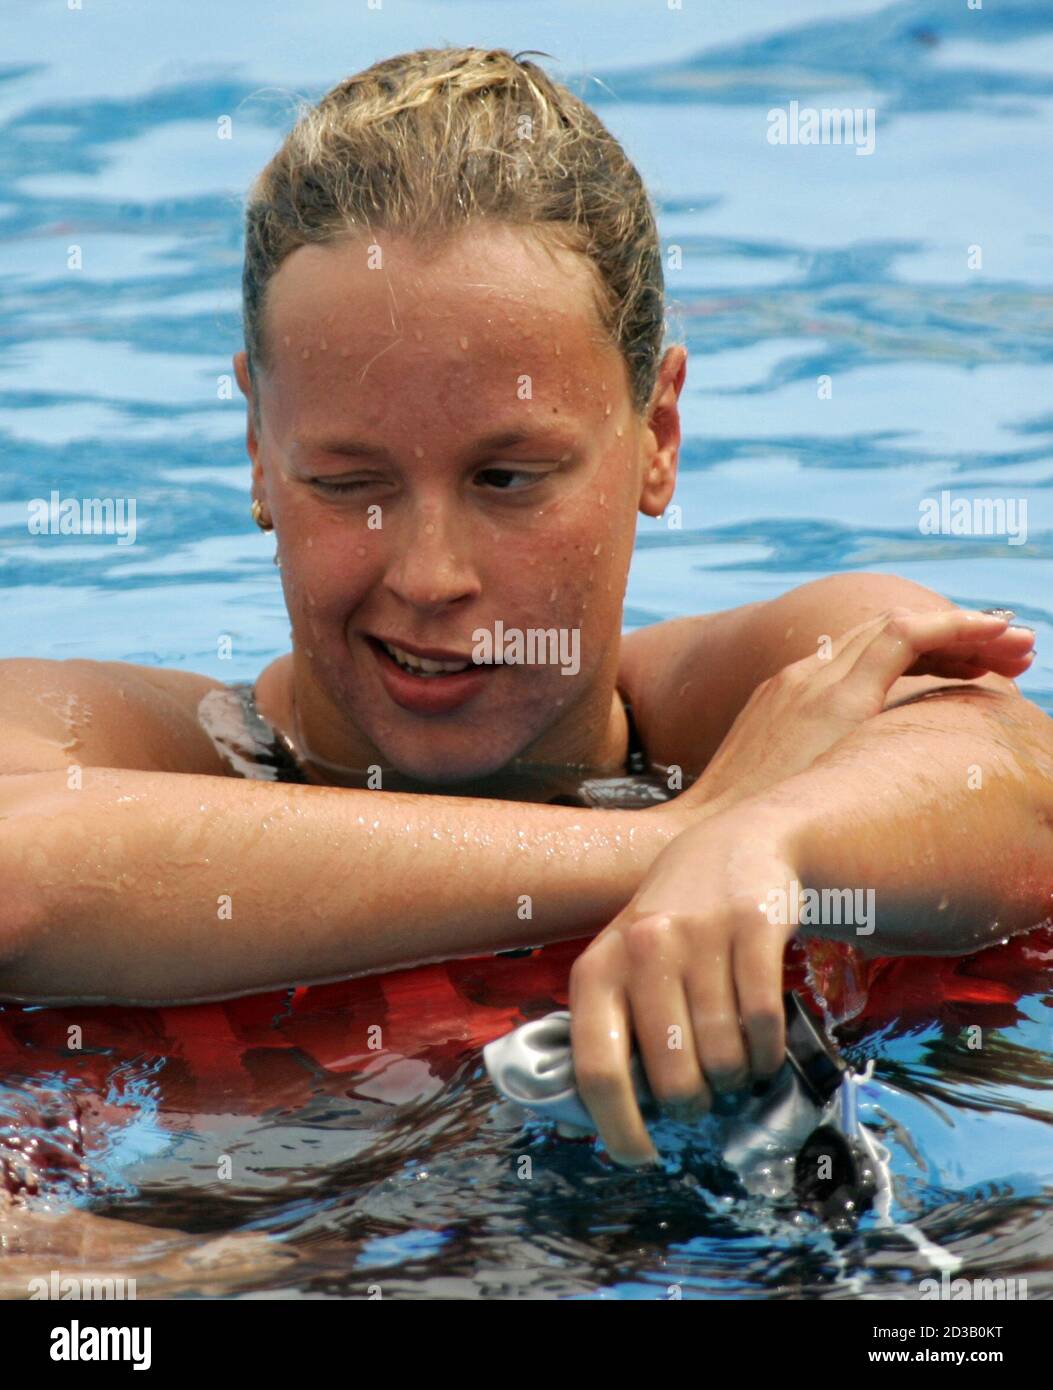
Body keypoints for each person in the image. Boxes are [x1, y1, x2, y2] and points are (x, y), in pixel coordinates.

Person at [1, 47, 1049, 1170]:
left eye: (508, 479)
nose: (429, 574)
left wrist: (768, 833)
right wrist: (676, 841)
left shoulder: (734, 701)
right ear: (260, 447)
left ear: (658, 434)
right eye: (348, 484)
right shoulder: (156, 752)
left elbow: (1009, 778)